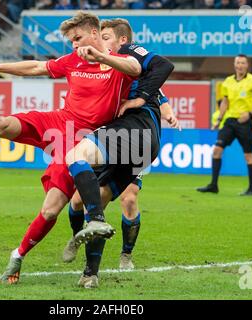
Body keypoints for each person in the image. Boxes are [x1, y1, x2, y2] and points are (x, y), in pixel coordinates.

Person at [0, 11, 148, 286]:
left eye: (78, 39)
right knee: (6, 125)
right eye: (71, 42)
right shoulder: (73, 60)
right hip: (58, 122)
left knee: (51, 210)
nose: (75, 46)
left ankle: (18, 255)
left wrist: (102, 57)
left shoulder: (118, 62)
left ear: (94, 33)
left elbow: (136, 70)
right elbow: (36, 68)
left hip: (85, 142)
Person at [62, 18, 179, 273]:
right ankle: (85, 255)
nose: (100, 43)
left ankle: (125, 255)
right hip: (117, 136)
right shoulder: (108, 67)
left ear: (122, 40)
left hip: (134, 133)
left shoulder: (129, 57)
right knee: (82, 199)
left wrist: (145, 102)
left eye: (105, 38)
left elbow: (160, 84)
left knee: (129, 197)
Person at [197, 54, 252, 196]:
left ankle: (251, 189)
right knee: (217, 150)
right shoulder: (227, 82)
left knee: (248, 155)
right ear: (234, 65)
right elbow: (225, 102)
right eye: (238, 63)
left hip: (245, 122)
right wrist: (219, 119)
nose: (240, 65)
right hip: (229, 121)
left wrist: (250, 114)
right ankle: (213, 185)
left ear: (247, 65)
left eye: (243, 63)